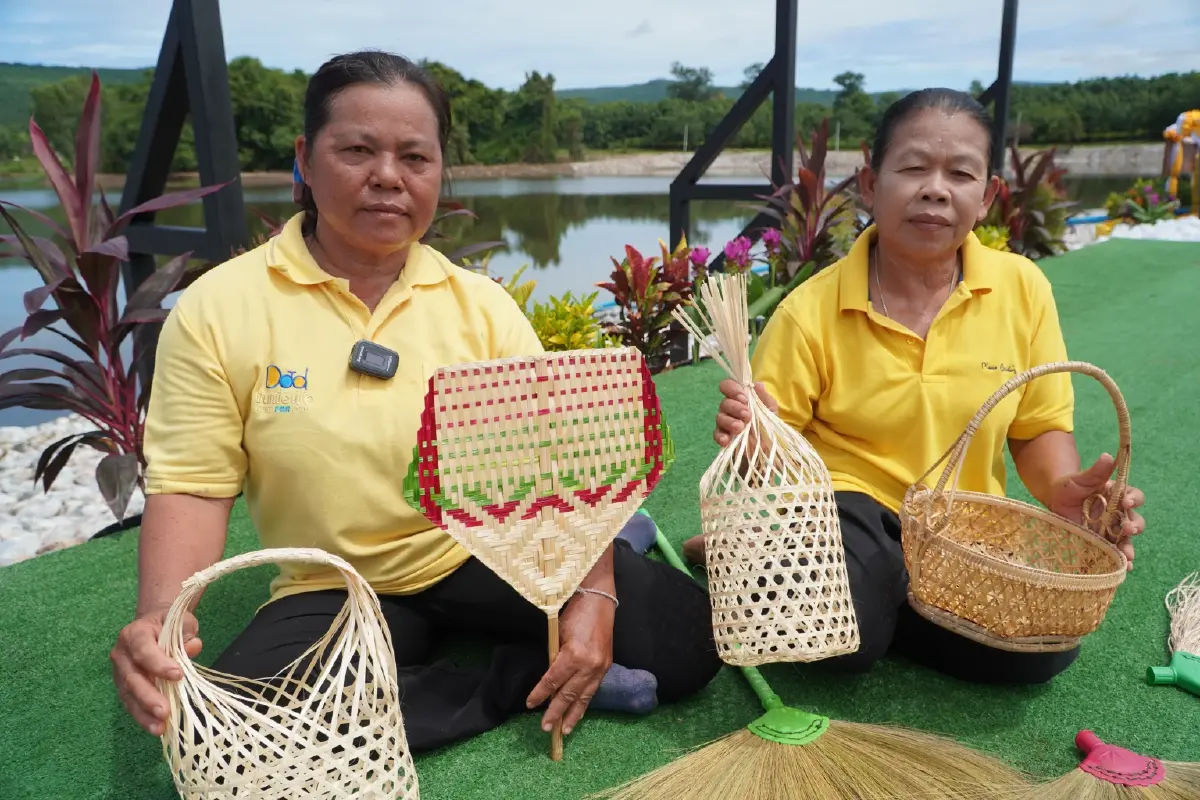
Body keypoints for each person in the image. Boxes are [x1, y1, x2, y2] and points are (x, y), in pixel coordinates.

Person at [109, 50, 720, 752]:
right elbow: (192, 484)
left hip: (488, 546)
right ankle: (515, 676)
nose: (388, 179)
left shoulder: (481, 307)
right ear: (305, 159)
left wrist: (591, 595)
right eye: (358, 151)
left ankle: (572, 595)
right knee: (236, 733)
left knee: (688, 643)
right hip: (334, 585)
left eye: (415, 157)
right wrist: (161, 615)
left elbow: (558, 470)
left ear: (438, 170)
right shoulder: (219, 308)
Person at [687, 88, 1147, 685]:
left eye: (960, 173)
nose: (936, 188)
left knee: (1045, 653)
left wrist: (1063, 492)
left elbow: (1037, 429)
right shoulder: (810, 310)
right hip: (850, 514)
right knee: (846, 634)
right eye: (913, 168)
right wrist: (754, 442)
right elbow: (775, 459)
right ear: (870, 182)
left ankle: (865, 600)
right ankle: (850, 594)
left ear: (985, 198)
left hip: (966, 529)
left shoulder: (1022, 288)